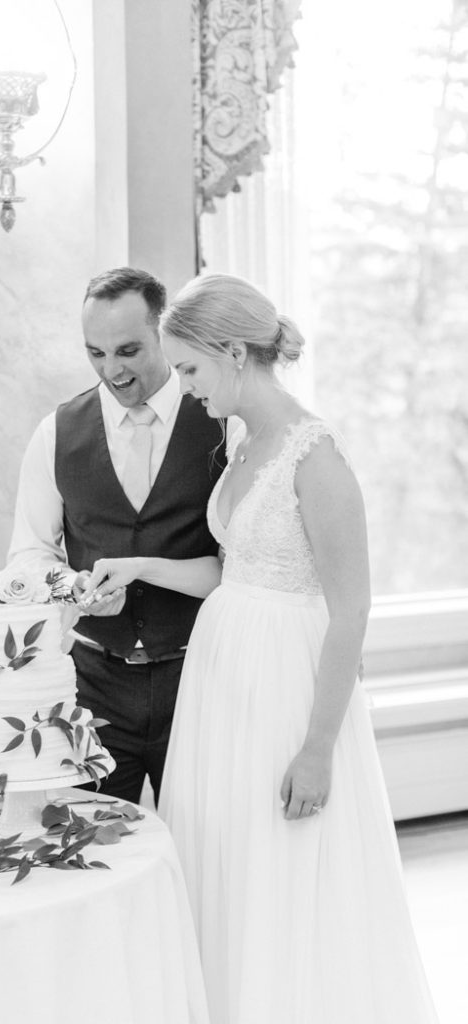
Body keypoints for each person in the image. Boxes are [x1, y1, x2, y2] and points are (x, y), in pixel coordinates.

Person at [79, 274, 440, 1023]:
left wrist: (316, 747)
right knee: (225, 863)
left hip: (284, 688)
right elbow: (229, 569)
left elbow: (351, 609)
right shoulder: (243, 442)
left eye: (187, 369)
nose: (182, 386)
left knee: (281, 869)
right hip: (222, 686)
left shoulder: (316, 457)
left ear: (233, 352)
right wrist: (138, 565)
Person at [8, 267, 225, 804]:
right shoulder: (55, 431)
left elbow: (244, 558)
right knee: (97, 848)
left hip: (202, 676)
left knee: (204, 854)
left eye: (128, 351)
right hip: (95, 687)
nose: (112, 370)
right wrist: (72, 587)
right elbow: (28, 554)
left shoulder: (224, 422)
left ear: (163, 335)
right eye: (96, 353)